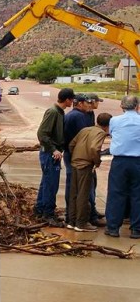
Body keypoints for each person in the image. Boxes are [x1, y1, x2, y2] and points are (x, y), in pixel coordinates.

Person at [34, 87, 74, 226]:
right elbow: (42, 134)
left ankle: (39, 210)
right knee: (51, 185)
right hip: (49, 154)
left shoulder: (60, 112)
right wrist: (54, 150)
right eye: (72, 99)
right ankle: (48, 215)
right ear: (68, 99)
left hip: (51, 153)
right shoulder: (53, 112)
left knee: (46, 182)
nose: (73, 102)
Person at [67, 112, 112, 232]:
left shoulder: (85, 129)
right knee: (83, 195)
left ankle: (71, 221)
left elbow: (71, 144)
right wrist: (96, 161)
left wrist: (76, 157)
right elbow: (94, 148)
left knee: (74, 194)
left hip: (75, 163)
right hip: (85, 165)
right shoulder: (101, 133)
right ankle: (81, 223)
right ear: (108, 125)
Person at [104, 95, 140, 238]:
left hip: (120, 161)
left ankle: (113, 227)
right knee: (137, 194)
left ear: (122, 106)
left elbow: (112, 134)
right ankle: (136, 229)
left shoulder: (114, 120)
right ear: (137, 106)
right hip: (138, 161)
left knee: (116, 193)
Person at [62, 94, 91, 224]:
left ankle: (70, 216)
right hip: (75, 155)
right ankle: (75, 218)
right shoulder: (79, 116)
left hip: (69, 153)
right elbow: (83, 138)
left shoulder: (69, 115)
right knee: (77, 188)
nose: (88, 105)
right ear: (80, 103)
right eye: (87, 102)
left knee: (72, 185)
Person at [85, 92, 105, 224]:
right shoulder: (82, 115)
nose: (98, 104)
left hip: (88, 155)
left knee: (93, 183)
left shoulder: (91, 114)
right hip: (85, 157)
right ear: (92, 101)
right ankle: (90, 215)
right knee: (88, 186)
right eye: (97, 101)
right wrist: (96, 160)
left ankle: (93, 210)